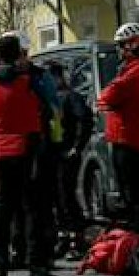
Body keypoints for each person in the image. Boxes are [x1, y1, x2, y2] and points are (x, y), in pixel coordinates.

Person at [0, 32, 58, 276]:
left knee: (2, 212)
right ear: (19, 55)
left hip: (0, 150)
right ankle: (37, 269)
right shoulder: (28, 81)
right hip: (27, 147)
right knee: (32, 210)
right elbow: (50, 103)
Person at [97, 23, 139, 232]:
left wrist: (103, 101)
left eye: (121, 45)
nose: (118, 51)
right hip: (131, 136)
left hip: (126, 136)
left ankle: (138, 235)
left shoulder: (136, 71)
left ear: (132, 45)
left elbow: (110, 95)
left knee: (132, 192)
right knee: (134, 190)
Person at [49, 61, 93, 255]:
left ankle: (77, 237)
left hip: (67, 152)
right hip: (53, 153)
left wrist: (77, 147)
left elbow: (85, 120)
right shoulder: (51, 98)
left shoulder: (70, 97)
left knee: (66, 196)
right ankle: (64, 236)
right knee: (58, 197)